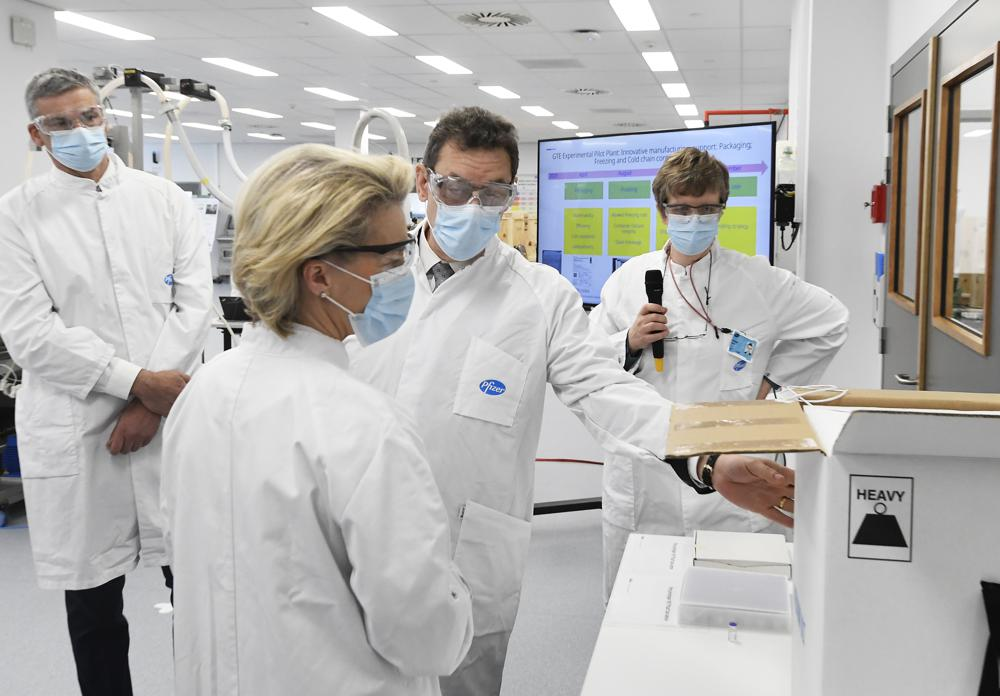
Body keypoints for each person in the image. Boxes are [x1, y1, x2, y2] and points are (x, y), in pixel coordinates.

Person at [347, 107, 796, 696]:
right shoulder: (362, 274)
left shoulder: (539, 296)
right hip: (353, 534)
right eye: (457, 186)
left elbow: (604, 390)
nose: (474, 205)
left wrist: (704, 455)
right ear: (425, 181)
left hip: (466, 555)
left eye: (494, 192)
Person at [160, 144, 474, 696]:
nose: (407, 272)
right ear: (320, 276)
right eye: (392, 256)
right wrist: (459, 599)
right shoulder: (362, 423)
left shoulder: (204, 391)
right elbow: (422, 633)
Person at [0, 68, 214, 695]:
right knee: (94, 615)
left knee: (197, 596)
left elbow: (194, 307)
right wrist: (137, 385)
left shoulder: (165, 199)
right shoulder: (14, 215)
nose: (79, 131)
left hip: (166, 422)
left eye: (88, 116)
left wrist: (150, 402)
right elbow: (30, 333)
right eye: (59, 123)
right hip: (80, 428)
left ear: (105, 116)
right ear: (37, 136)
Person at [589, 146, 849, 596]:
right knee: (638, 610)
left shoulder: (758, 281)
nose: (695, 219)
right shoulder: (628, 280)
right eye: (682, 209)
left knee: (739, 610)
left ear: (722, 208)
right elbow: (587, 365)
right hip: (646, 475)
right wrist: (628, 342)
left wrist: (773, 384)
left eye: (707, 208)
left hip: (734, 474)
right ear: (662, 211)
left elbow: (832, 322)